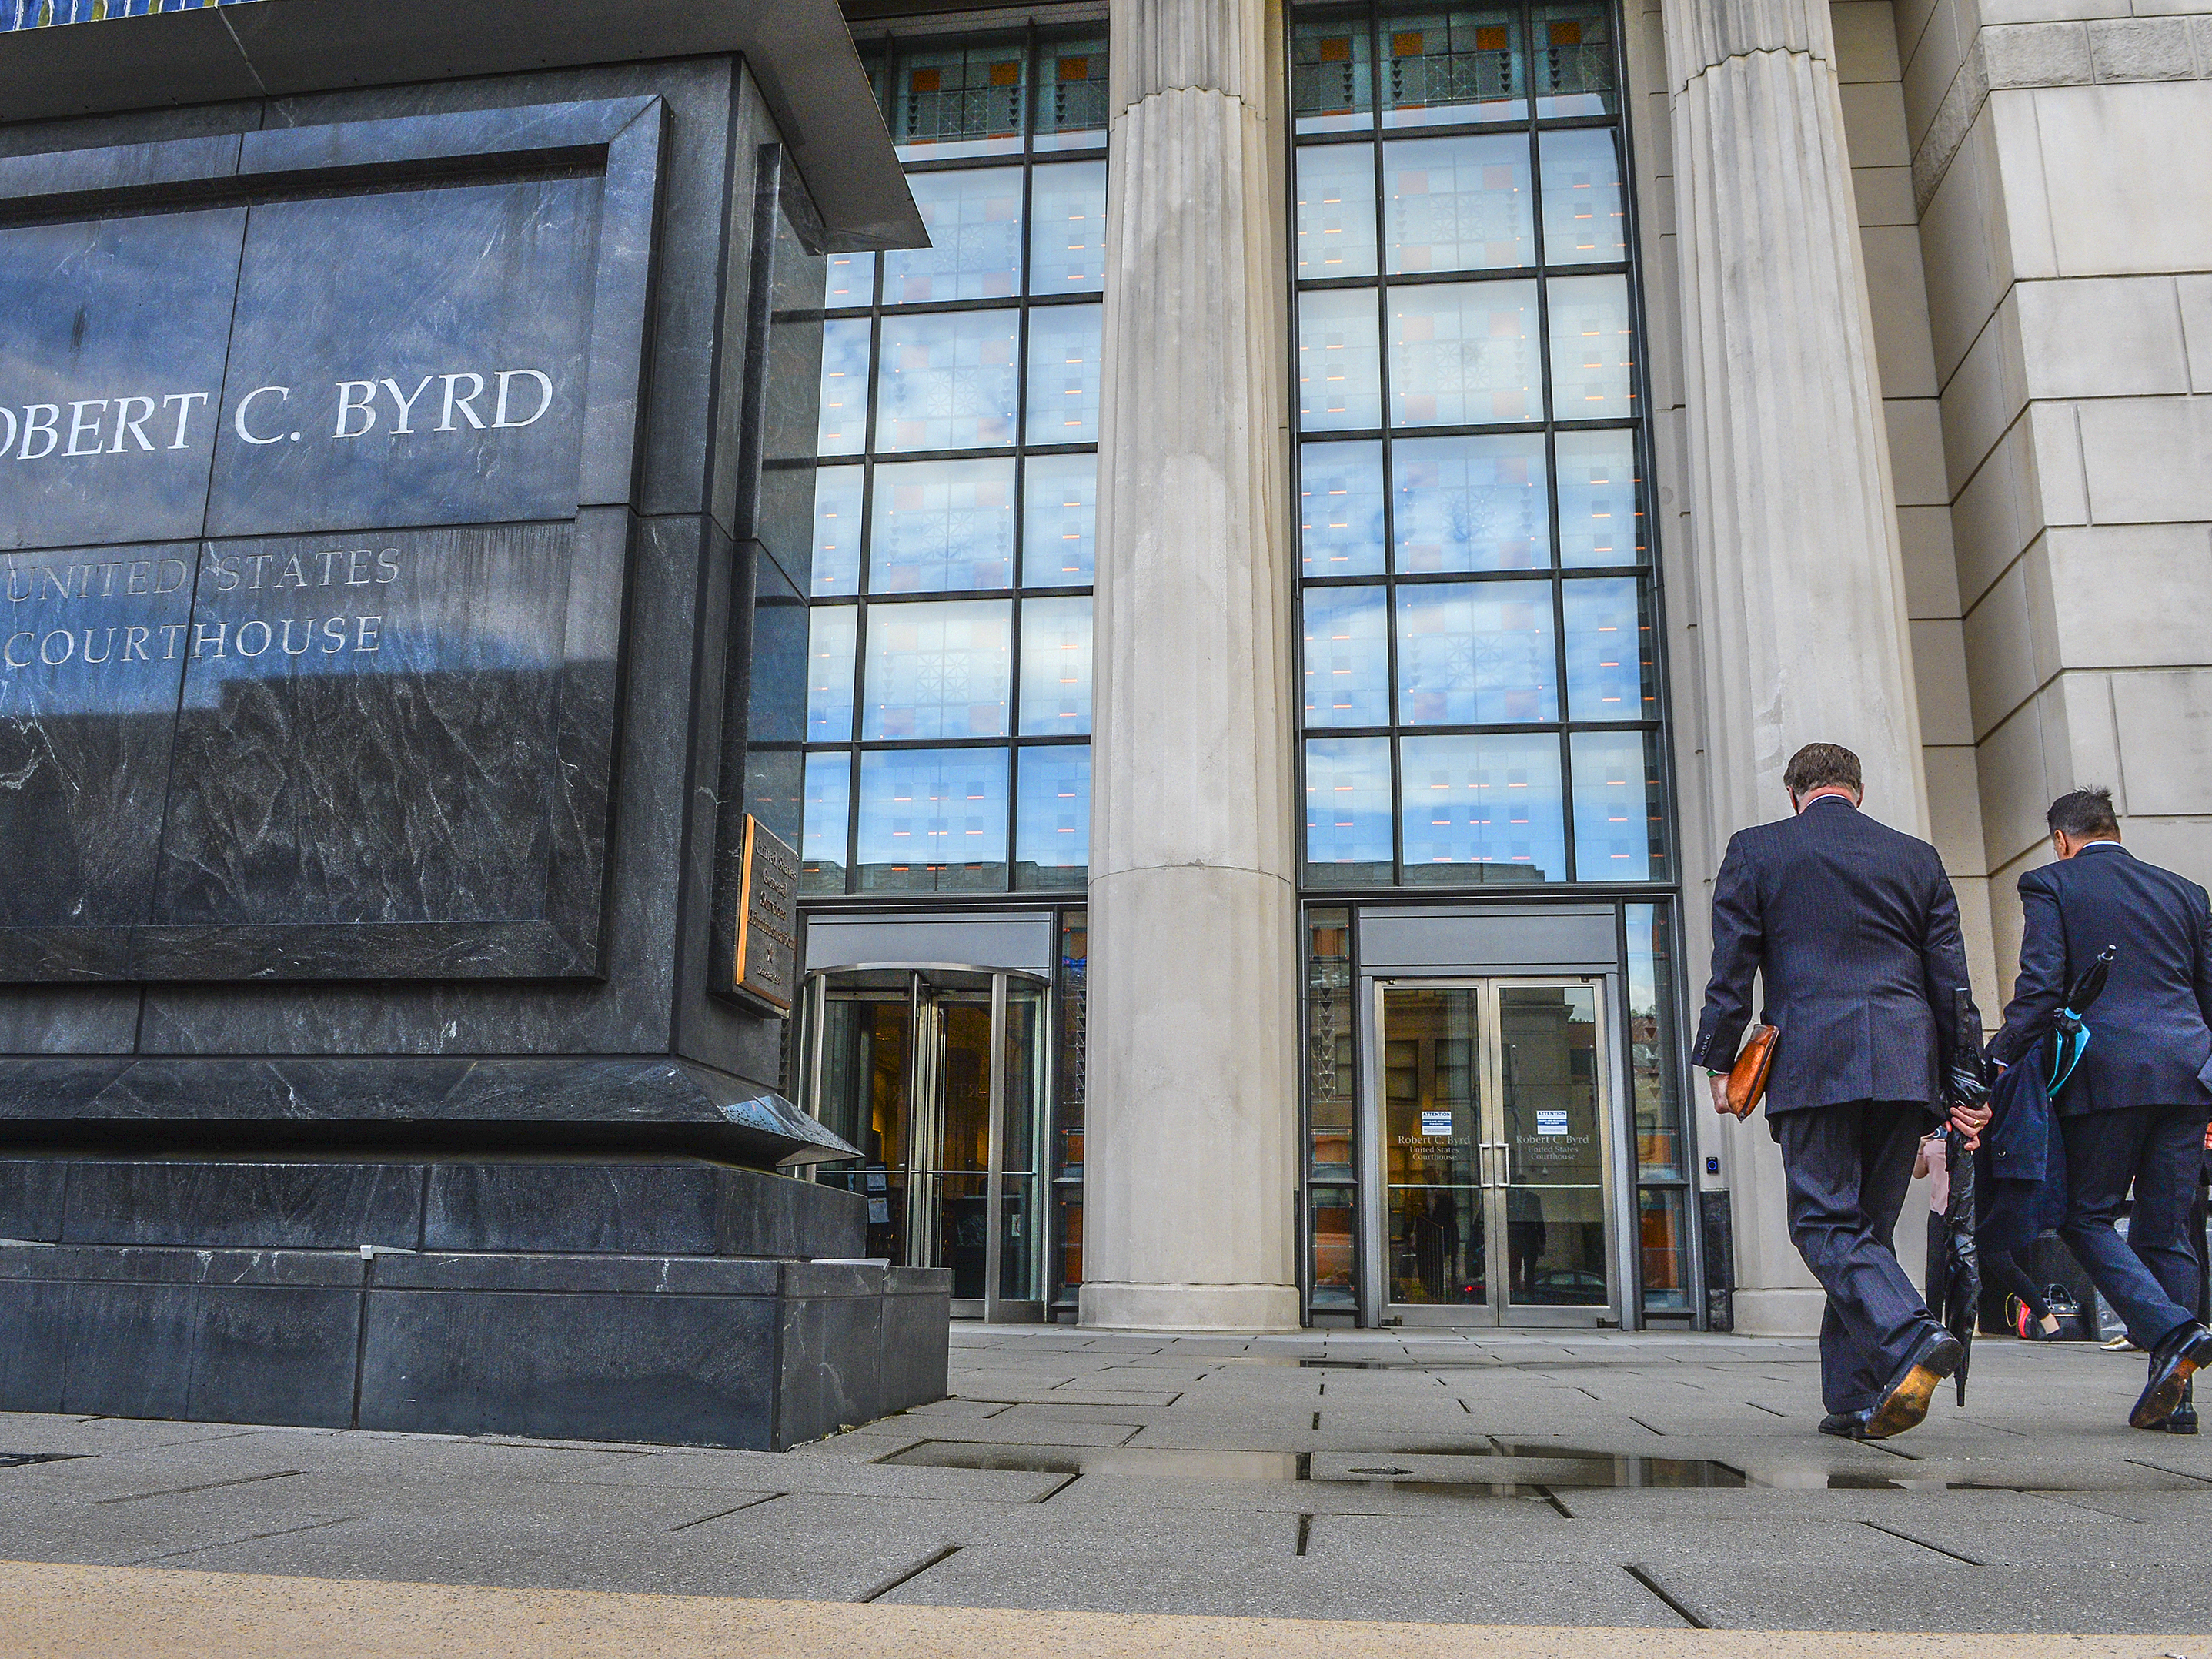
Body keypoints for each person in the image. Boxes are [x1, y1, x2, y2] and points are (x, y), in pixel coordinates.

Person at [1693, 742, 1991, 1440]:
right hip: (1903, 1062)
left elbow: (1732, 968)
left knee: (1824, 1224)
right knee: (1866, 1231)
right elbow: (1953, 982)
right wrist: (1964, 1081)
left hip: (1815, 1062)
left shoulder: (1758, 849)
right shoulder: (1915, 856)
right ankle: (1858, 1396)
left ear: (1794, 791)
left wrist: (1718, 1061)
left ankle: (1911, 1334)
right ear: (1857, 787)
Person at [1987, 788, 2212, 1430]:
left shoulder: (2051, 883)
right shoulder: (2185, 892)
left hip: (2106, 1076)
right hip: (2187, 1075)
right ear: (2114, 828)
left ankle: (2172, 1332)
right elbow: (2209, 994)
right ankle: (2178, 1401)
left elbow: (2040, 988)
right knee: (2168, 1231)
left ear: (2061, 838)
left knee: (2084, 1216)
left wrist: (1998, 1059)